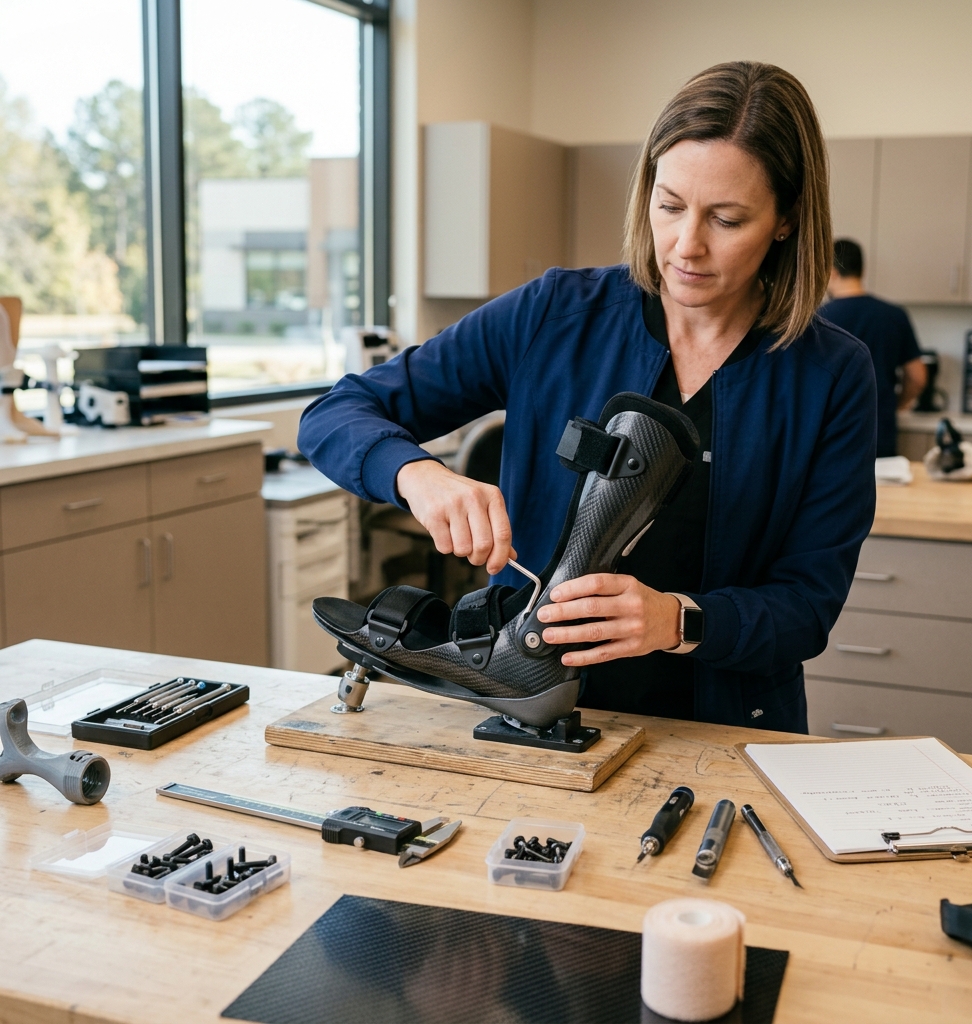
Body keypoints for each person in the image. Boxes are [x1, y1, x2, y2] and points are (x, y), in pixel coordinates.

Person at [298, 61, 877, 734]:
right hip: (526, 718)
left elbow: (806, 607)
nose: (686, 246)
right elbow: (333, 414)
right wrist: (417, 476)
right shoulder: (552, 313)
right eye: (670, 206)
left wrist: (676, 619)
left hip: (724, 731)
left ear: (785, 221)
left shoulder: (833, 371)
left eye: (727, 218)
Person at [820, 238, 926, 457]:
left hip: (831, 433)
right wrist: (898, 404)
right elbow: (918, 377)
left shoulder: (819, 319)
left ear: (832, 272)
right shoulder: (894, 315)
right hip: (880, 429)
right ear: (863, 270)